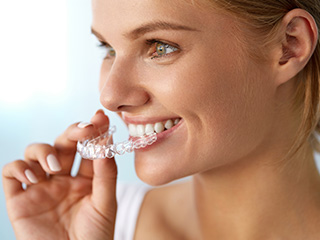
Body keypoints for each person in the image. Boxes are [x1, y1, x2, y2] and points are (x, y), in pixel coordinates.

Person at [3, 0, 320, 239]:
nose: (110, 96)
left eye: (161, 46)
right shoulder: (98, 224)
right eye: (109, 48)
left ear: (289, 46)